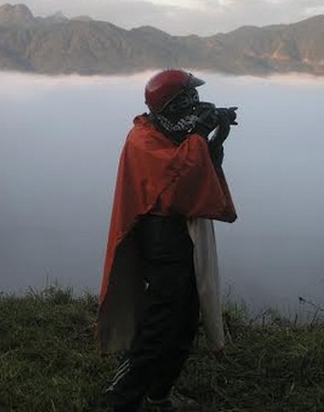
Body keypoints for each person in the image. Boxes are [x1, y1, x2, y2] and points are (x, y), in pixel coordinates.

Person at [97, 69, 238, 411]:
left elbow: (199, 165)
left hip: (181, 233)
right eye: (189, 98)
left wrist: (214, 137)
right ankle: (122, 396)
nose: (196, 103)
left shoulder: (172, 131)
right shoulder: (143, 138)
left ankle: (159, 394)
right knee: (160, 320)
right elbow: (178, 180)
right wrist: (202, 133)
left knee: (187, 316)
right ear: (175, 103)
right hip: (162, 237)